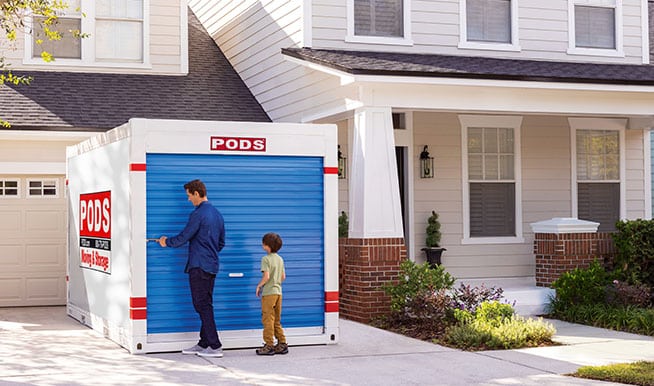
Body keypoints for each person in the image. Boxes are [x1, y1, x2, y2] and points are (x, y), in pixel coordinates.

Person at [157, 179, 225, 358]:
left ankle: (215, 345)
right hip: (211, 266)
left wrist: (166, 242)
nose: (188, 200)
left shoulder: (198, 214)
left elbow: (184, 237)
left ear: (196, 193)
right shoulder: (217, 214)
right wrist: (208, 253)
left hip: (199, 266)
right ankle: (204, 343)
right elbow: (221, 242)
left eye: (188, 196)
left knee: (201, 305)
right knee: (206, 304)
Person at [255, 232, 288, 355]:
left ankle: (269, 345)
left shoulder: (266, 259)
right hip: (278, 292)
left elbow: (266, 276)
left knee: (268, 319)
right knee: (276, 320)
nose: (262, 246)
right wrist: (276, 283)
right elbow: (283, 277)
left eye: (263, 243)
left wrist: (259, 285)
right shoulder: (280, 259)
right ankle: (282, 343)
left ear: (267, 246)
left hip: (269, 293)